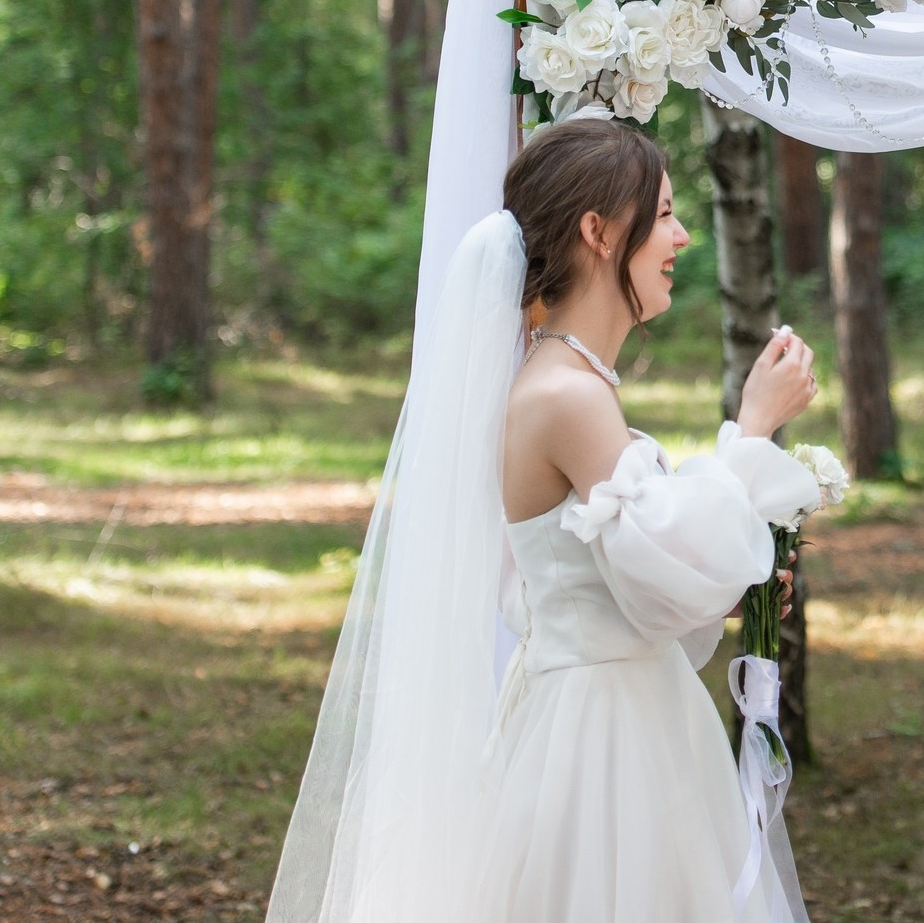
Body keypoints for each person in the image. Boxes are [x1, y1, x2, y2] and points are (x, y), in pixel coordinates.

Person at [266, 116, 822, 923]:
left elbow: (625, 578)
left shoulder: (570, 381)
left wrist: (739, 588)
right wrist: (754, 429)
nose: (684, 235)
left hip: (623, 707)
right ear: (600, 231)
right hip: (602, 745)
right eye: (664, 214)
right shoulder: (566, 394)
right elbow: (664, 558)